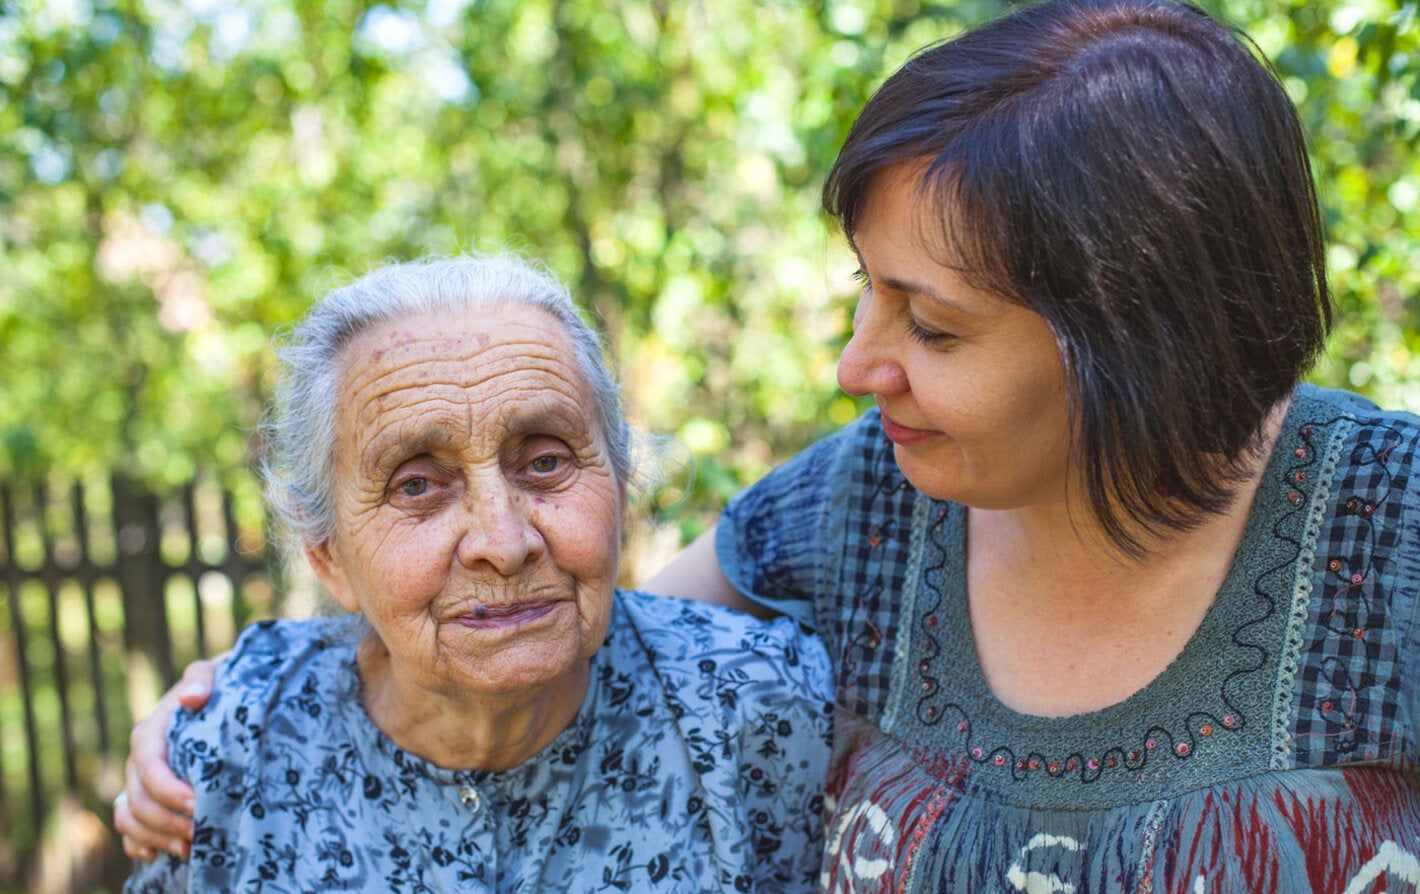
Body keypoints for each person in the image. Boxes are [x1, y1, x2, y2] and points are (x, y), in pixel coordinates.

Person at [122, 0, 1420, 890]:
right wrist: (240, 708)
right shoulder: (868, 501)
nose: (859, 367)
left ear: (1141, 337)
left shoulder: (1387, 530)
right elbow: (560, 626)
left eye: (934, 325)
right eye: (866, 288)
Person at [120, 254, 832, 892]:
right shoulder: (228, 751)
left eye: (546, 461)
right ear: (326, 555)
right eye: (417, 486)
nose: (504, 541)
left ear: (621, 487)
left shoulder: (763, 708)